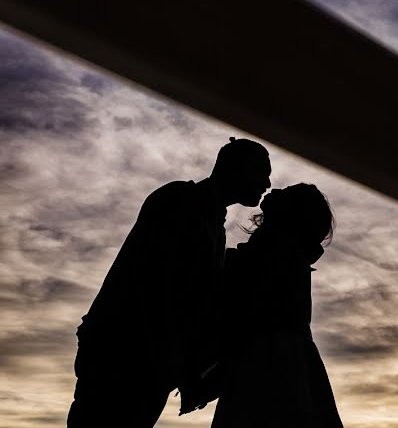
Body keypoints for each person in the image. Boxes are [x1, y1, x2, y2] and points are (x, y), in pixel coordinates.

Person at [67, 137, 271, 428]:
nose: (267, 183)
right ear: (237, 168)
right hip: (124, 354)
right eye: (262, 172)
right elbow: (157, 283)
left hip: (151, 361)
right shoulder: (179, 199)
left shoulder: (213, 222)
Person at [211, 184, 343, 427]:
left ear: (292, 210)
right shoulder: (283, 251)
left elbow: (246, 306)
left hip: (272, 360)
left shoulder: (280, 252)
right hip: (277, 359)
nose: (274, 190)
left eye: (285, 192)